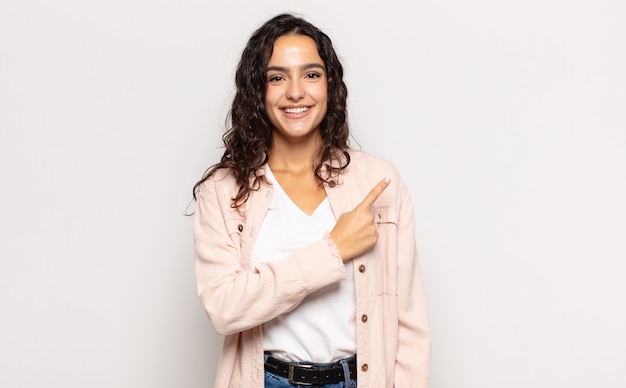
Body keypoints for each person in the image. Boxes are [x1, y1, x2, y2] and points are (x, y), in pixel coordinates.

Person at [192, 13, 431, 388]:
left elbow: (410, 322)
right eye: (276, 77)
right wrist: (332, 250)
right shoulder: (223, 191)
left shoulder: (378, 182)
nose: (295, 92)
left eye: (311, 74)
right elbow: (223, 308)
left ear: (329, 85)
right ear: (258, 90)